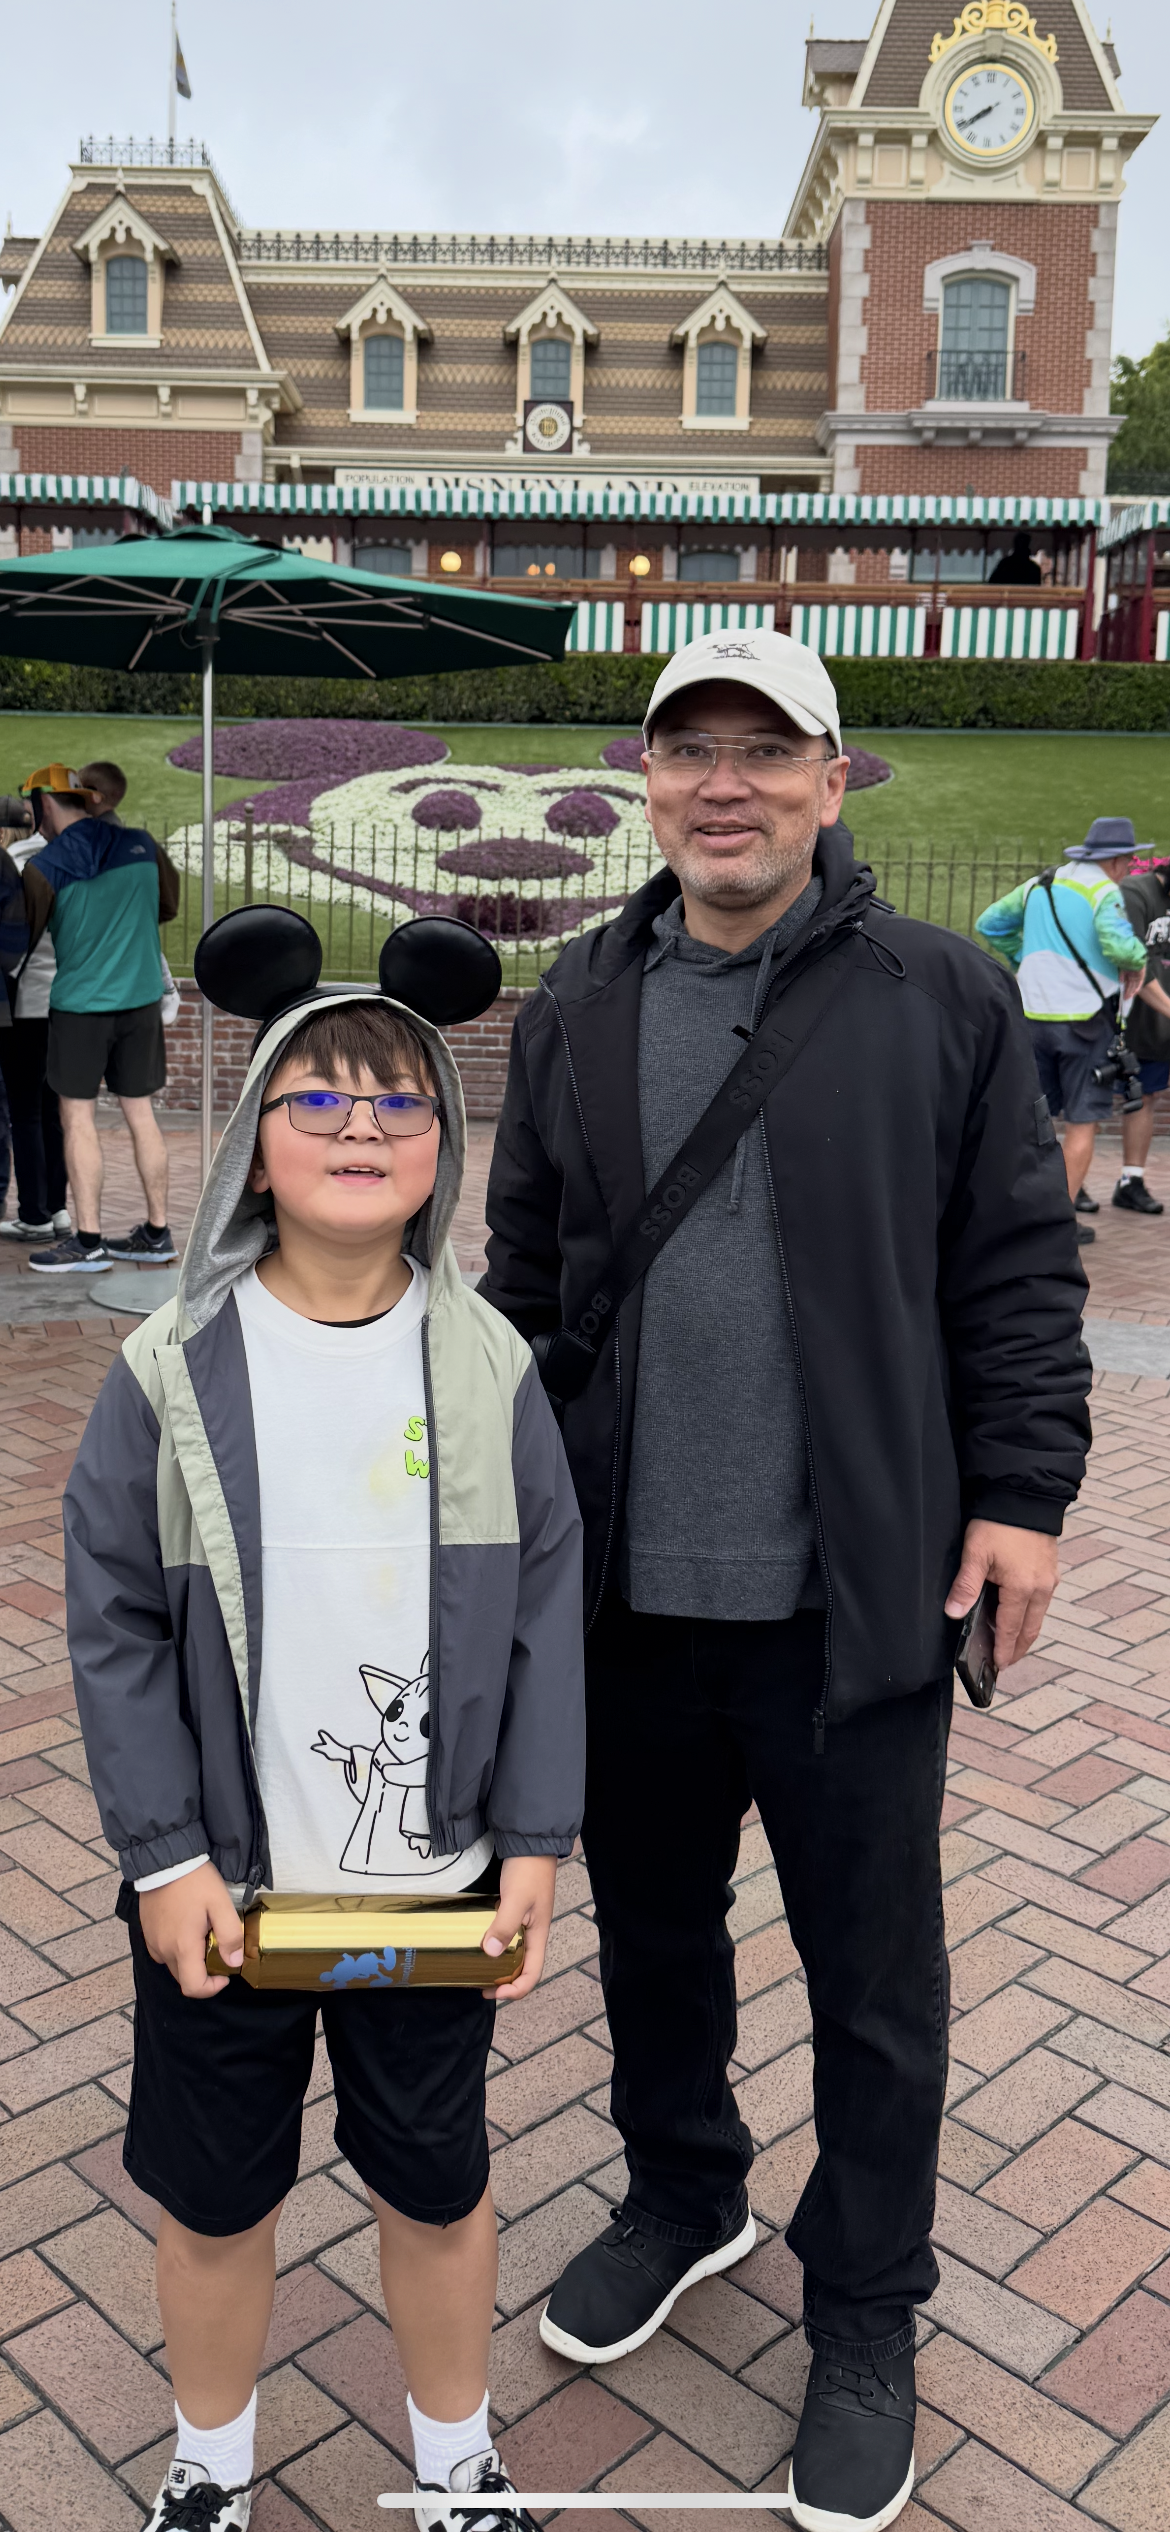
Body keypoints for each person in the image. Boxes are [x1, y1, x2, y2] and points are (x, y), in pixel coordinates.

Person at [480, 628, 1091, 2532]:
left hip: (854, 1599)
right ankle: (685, 2190)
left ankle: (867, 2302)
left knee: (874, 1981)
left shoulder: (940, 990)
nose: (725, 782)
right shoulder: (578, 998)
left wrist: (1024, 1495)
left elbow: (1017, 1265)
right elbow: (524, 1278)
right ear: (648, 779)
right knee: (656, 1941)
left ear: (836, 779)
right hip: (625, 1597)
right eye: (692, 747)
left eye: (768, 748)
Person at [62, 952, 585, 2532]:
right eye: (321, 1102)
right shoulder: (172, 1367)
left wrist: (534, 1841)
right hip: (226, 1895)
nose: (362, 1128)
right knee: (215, 2201)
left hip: (428, 1896)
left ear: (443, 1145)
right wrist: (162, 1855)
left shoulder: (489, 1365)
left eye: (399, 1104)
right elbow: (115, 1622)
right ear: (250, 1146)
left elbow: (544, 1611)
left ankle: (455, 2462)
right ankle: (209, 2466)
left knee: (437, 2181)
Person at [15, 764, 182, 1273]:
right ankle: (158, 1233)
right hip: (141, 1001)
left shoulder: (44, 866)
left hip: (80, 1006)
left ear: (46, 804)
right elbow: (167, 905)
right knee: (141, 1114)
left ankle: (87, 1242)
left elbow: (23, 935)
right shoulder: (142, 845)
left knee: (77, 1118)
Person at [976, 816, 1170, 1244]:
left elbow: (990, 923)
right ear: (1116, 861)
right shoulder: (1103, 892)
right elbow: (1119, 946)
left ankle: (1019, 1213)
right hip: (1086, 1021)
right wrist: (1137, 963)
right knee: (1083, 1123)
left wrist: (1025, 960)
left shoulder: (1040, 884)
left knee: (1035, 1119)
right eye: (1129, 860)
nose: (1129, 868)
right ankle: (1055, 1227)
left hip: (1033, 1016)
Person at [0, 812, 71, 1243]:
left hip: (27, 1000)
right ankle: (57, 1208)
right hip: (65, 1000)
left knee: (25, 1113)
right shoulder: (76, 863)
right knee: (52, 1111)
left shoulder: (19, 861)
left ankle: (34, 1213)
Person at [1112, 852, 1170, 1215]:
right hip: (1124, 1017)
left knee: (1146, 1096)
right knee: (1090, 1100)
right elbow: (1133, 962)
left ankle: (1130, 1182)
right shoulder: (1136, 892)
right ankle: (1073, 1181)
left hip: (1158, 1024)